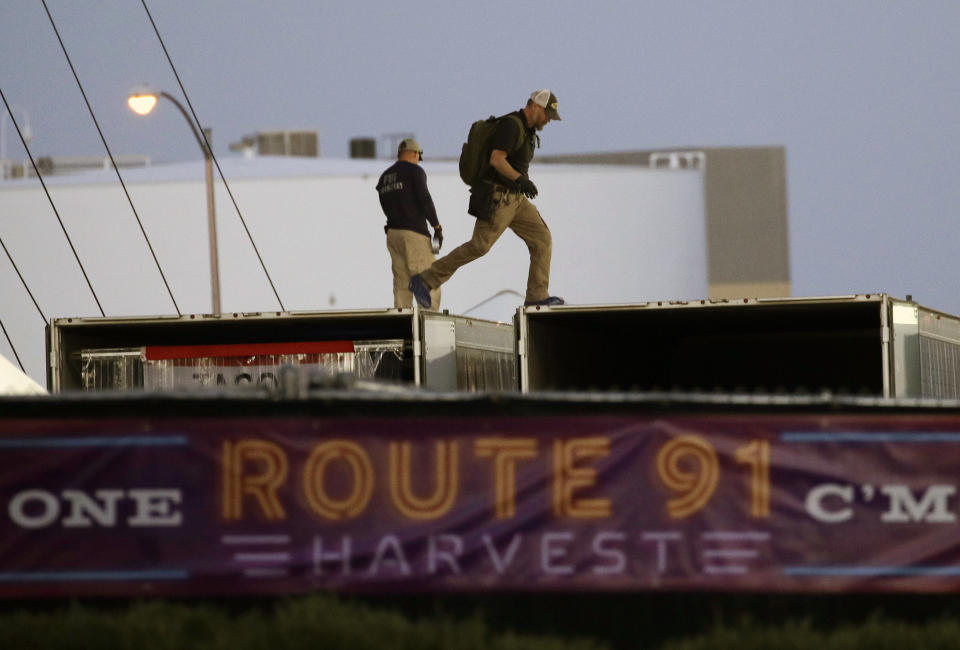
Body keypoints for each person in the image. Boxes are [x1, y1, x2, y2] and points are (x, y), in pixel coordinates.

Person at [409, 89, 564, 309]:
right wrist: (520, 179)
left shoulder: (528, 131)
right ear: (536, 107)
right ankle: (424, 280)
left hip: (517, 200)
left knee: (542, 239)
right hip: (499, 198)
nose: (548, 120)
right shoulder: (511, 126)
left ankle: (536, 296)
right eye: (547, 114)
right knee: (479, 246)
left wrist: (520, 184)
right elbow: (496, 160)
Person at [376, 138, 442, 308]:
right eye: (418, 157)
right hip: (414, 234)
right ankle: (429, 325)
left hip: (393, 235)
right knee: (428, 279)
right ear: (414, 153)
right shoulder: (415, 171)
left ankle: (402, 324)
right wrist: (436, 226)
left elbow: (385, 205)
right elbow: (425, 199)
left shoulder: (384, 178)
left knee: (401, 283)